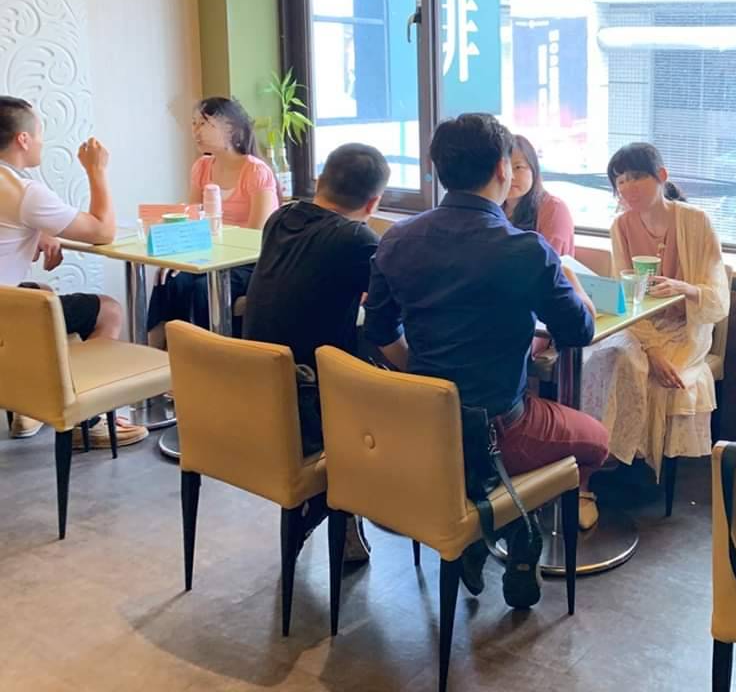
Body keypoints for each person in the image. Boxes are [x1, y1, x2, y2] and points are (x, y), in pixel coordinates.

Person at [363, 113, 606, 605]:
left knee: (498, 437)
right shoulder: (525, 250)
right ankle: (510, 523)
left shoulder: (397, 238)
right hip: (502, 429)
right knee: (597, 443)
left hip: (419, 428)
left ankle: (488, 525)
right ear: (501, 168)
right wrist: (573, 284)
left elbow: (380, 332)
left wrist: (432, 391)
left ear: (437, 169)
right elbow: (577, 332)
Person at [242, 144, 389, 565]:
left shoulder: (281, 218)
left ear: (319, 181)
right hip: (308, 402)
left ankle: (345, 518)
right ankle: (351, 503)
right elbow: (389, 304)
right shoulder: (356, 239)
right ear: (373, 203)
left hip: (256, 390)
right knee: (396, 381)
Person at [580, 143, 730, 489]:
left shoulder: (696, 221)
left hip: (687, 327)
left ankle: (623, 463)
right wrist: (652, 349)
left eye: (636, 177)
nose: (627, 187)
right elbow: (624, 299)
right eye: (620, 180)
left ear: (661, 176)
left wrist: (684, 288)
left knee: (633, 367)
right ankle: (602, 458)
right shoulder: (620, 226)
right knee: (602, 359)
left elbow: (718, 298)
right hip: (638, 326)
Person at [0, 96, 147, 448]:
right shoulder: (24, 192)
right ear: (23, 139)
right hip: (4, 315)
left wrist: (37, 230)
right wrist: (96, 171)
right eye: (40, 133)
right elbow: (102, 230)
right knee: (108, 310)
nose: (43, 141)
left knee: (43, 295)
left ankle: (29, 406)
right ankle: (88, 420)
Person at [147, 97, 279, 341]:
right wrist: (179, 258)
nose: (196, 132)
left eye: (204, 124)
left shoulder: (256, 171)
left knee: (203, 289)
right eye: (194, 124)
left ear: (231, 129)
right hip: (210, 256)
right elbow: (192, 221)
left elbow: (256, 236)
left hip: (250, 263)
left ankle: (209, 352)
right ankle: (159, 352)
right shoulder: (202, 167)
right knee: (169, 279)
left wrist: (213, 255)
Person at [503, 134, 575, 256]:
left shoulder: (554, 208)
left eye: (518, 167)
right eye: (504, 168)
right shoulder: (490, 207)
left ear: (534, 169)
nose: (510, 176)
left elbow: (549, 262)